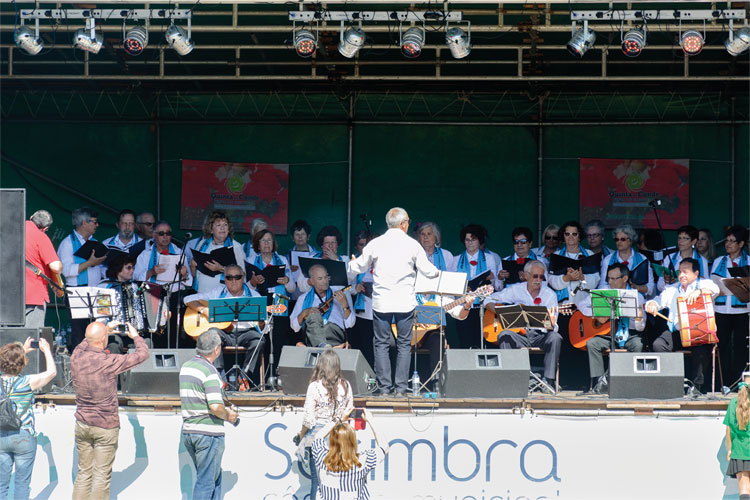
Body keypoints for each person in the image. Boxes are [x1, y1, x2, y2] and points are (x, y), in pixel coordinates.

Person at [347, 207, 440, 396]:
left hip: (382, 303)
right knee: (404, 345)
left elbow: (359, 266)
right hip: (404, 303)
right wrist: (440, 274)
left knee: (381, 344)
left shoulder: (376, 243)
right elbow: (428, 271)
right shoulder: (412, 245)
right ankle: (400, 389)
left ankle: (384, 388)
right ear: (404, 224)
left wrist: (352, 262)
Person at [70, 320, 149, 500]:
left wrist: (104, 329)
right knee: (101, 475)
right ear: (103, 339)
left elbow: (86, 342)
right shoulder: (109, 361)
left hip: (82, 423)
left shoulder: (76, 356)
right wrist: (136, 336)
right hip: (105, 425)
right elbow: (143, 354)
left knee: (84, 473)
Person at [482, 260, 561, 391]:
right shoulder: (516, 289)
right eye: (535, 276)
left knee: (555, 337)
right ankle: (511, 379)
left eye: (541, 277)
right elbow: (488, 299)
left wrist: (550, 324)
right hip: (520, 335)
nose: (538, 280)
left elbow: (553, 326)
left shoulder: (549, 295)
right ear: (526, 275)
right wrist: (499, 312)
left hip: (539, 335)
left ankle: (548, 381)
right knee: (504, 334)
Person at [179, 329, 239, 500]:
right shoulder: (209, 371)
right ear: (216, 350)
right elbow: (215, 406)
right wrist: (229, 416)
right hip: (208, 433)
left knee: (212, 481)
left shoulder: (186, 366)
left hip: (190, 431)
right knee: (206, 483)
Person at [645, 258, 720, 393]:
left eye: (685, 272)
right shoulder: (672, 289)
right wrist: (652, 304)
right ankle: (671, 382)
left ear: (696, 273)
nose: (681, 275)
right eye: (680, 272)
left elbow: (716, 289)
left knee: (702, 350)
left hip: (699, 333)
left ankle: (696, 387)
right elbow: (658, 300)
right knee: (659, 344)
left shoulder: (704, 283)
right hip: (678, 333)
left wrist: (700, 291)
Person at [184, 264, 266, 377]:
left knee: (259, 340)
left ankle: (245, 376)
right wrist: (204, 310)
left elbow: (264, 329)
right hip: (224, 333)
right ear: (225, 279)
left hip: (246, 333)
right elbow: (188, 299)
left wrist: (261, 322)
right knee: (212, 334)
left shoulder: (255, 296)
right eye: (229, 277)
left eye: (237, 277)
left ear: (243, 278)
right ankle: (219, 375)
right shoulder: (217, 292)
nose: (233, 281)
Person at [574, 263, 645, 394]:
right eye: (609, 279)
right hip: (609, 334)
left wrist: (639, 319)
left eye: (614, 279)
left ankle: (629, 383)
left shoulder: (638, 297)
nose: (610, 282)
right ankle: (598, 383)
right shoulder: (604, 292)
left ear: (625, 278)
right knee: (592, 343)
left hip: (630, 335)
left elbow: (641, 328)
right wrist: (597, 315)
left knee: (638, 344)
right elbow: (582, 304)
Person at [293, 349, 354, 500]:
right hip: (339, 436)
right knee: (338, 481)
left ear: (320, 365)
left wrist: (301, 434)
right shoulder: (346, 385)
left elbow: (309, 419)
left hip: (319, 435)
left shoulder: (315, 386)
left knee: (318, 482)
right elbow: (349, 411)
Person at [0, 338, 56, 500]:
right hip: (23, 434)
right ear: (22, 364)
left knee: (1, 484)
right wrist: (46, 350)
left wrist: (21, 352)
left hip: (1, 435)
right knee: (22, 484)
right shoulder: (27, 382)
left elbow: (7, 364)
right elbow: (52, 372)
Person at [247, 229, 295, 377]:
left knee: (278, 340)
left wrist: (287, 280)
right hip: (261, 301)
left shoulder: (283, 260)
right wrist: (253, 282)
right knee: (261, 340)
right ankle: (258, 377)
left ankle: (276, 377)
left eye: (269, 240)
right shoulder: (250, 260)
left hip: (279, 301)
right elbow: (246, 288)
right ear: (258, 244)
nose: (266, 243)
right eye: (263, 240)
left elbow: (292, 289)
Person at [311, 409, 388, 500]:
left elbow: (318, 436)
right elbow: (384, 447)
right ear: (353, 441)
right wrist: (371, 420)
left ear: (331, 440)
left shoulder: (321, 457)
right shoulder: (362, 462)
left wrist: (339, 419)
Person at [58, 207, 107, 349]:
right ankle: (79, 360)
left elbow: (100, 269)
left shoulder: (94, 242)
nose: (97, 225)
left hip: (97, 290)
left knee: (99, 329)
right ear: (84, 223)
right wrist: (89, 263)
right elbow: (66, 271)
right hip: (77, 291)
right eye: (94, 222)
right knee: (79, 332)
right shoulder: (67, 243)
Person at [450, 224, 498, 349]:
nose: (470, 243)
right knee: (465, 342)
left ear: (480, 241)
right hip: (463, 306)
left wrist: (491, 278)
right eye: (467, 240)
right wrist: (462, 286)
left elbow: (495, 284)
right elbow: (451, 283)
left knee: (482, 342)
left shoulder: (489, 258)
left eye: (473, 239)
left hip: (483, 306)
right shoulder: (456, 259)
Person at [712, 226, 749, 385]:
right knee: (721, 347)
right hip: (721, 309)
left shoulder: (748, 261)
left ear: (741, 244)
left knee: (741, 348)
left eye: (732, 241)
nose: (728, 244)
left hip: (743, 310)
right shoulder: (719, 261)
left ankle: (739, 383)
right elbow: (712, 282)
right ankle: (721, 382)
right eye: (727, 241)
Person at [290, 264, 355, 348]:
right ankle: (324, 347)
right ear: (312, 281)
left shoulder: (339, 296)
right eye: (320, 278)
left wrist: (345, 305)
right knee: (314, 317)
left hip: (333, 334)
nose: (324, 281)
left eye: (326, 277)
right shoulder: (303, 298)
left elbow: (350, 324)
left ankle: (322, 347)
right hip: (311, 335)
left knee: (327, 327)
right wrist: (303, 313)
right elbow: (294, 327)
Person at [24, 210, 63, 329]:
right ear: (45, 228)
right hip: (34, 295)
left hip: (7, 296)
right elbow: (55, 266)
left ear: (31, 217)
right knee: (32, 336)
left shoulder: (11, 230)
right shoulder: (40, 236)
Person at [190, 211, 246, 292]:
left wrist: (221, 268)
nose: (222, 228)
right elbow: (195, 274)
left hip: (223, 293)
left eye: (225, 225)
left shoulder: (236, 246)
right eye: (218, 225)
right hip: (202, 292)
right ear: (211, 229)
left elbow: (243, 273)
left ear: (229, 229)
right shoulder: (202, 244)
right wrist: (193, 266)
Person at [547, 221, 600, 305]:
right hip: (563, 304)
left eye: (574, 234)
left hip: (584, 303)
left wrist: (582, 277)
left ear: (579, 237)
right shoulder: (556, 255)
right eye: (567, 234)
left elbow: (596, 280)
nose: (570, 237)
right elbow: (551, 280)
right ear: (563, 236)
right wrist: (566, 278)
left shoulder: (589, 254)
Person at [134, 220, 192, 290]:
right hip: (152, 294)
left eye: (168, 233)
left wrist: (184, 274)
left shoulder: (179, 253)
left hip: (174, 294)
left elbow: (190, 282)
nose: (165, 236)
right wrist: (151, 272)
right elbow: (136, 279)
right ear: (154, 235)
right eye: (161, 233)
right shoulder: (145, 255)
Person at [600, 224, 654, 298]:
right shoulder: (608, 260)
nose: (619, 242)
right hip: (613, 299)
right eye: (617, 239)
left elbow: (650, 288)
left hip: (637, 299)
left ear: (630, 240)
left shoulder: (643, 259)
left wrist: (637, 287)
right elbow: (602, 285)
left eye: (622, 239)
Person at [101, 253, 141, 354]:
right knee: (114, 344)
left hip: (132, 332)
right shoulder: (105, 286)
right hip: (112, 331)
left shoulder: (136, 287)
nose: (132, 271)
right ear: (118, 269)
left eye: (133, 268)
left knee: (146, 342)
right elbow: (100, 315)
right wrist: (107, 327)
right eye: (128, 268)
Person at [656, 225, 709, 293]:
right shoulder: (669, 258)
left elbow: (707, 285)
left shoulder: (702, 261)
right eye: (679, 238)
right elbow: (659, 287)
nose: (681, 241)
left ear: (694, 241)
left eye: (685, 238)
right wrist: (666, 281)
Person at [724, 372, 750, 500]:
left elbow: (728, 429)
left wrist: (730, 449)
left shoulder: (734, 403)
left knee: (744, 487)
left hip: (739, 451)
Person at [287, 219, 321, 303]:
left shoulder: (317, 255)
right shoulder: (286, 257)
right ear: (292, 238)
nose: (300, 237)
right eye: (297, 234)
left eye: (303, 234)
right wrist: (288, 270)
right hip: (293, 295)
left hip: (312, 294)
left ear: (308, 237)